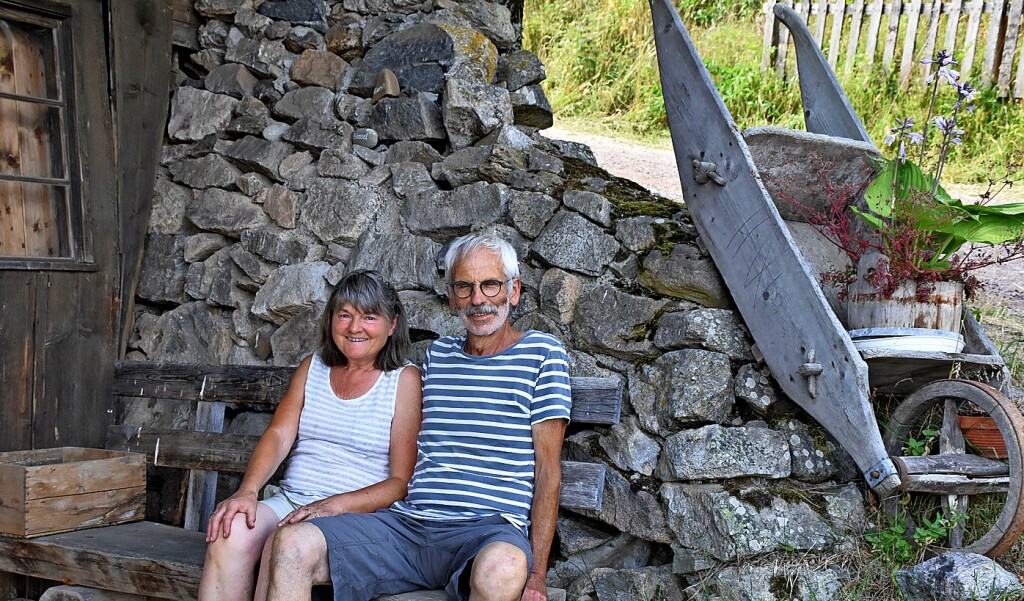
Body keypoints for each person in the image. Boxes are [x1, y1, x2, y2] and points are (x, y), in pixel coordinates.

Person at [262, 231, 572, 601]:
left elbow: (549, 472)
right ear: (451, 296)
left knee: (504, 568)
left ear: (514, 290)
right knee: (293, 543)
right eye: (464, 287)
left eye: (491, 285)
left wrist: (536, 574)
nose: (478, 299)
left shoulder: (543, 354)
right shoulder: (439, 357)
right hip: (409, 526)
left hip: (488, 532)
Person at [198, 270, 422, 601]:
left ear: (391, 325)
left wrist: (333, 505)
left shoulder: (403, 380)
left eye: (369, 317)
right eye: (344, 315)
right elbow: (278, 434)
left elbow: (401, 481)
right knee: (229, 532)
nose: (354, 327)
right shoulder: (313, 366)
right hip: (292, 500)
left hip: (353, 516)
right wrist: (247, 491)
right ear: (331, 320)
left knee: (283, 542)